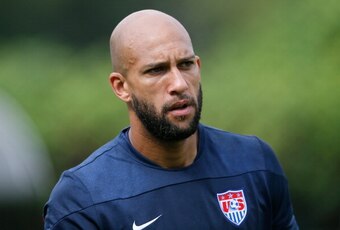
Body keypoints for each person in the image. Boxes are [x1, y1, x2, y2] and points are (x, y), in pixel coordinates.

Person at [43, 9, 299, 229]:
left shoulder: (255, 164)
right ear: (121, 87)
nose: (179, 83)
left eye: (186, 65)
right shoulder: (83, 199)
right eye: (156, 70)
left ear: (198, 66)